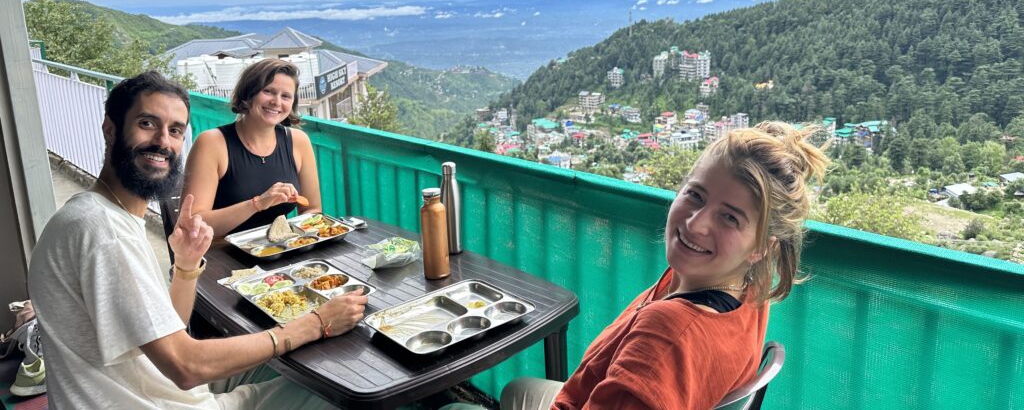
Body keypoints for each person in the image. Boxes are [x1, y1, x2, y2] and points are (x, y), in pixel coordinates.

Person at [28, 71, 367, 409]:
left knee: (311, 366)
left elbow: (170, 327)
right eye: (147, 123)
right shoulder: (104, 232)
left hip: (159, 387)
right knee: (343, 386)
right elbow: (186, 366)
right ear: (110, 129)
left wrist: (187, 266)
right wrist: (315, 324)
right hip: (166, 400)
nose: (163, 142)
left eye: (175, 130)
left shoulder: (100, 215)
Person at [445, 121, 828, 410]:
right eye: (695, 195)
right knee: (518, 390)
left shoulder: (668, 337)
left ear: (761, 248)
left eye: (730, 218)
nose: (696, 224)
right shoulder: (749, 288)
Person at [183, 58, 322, 237]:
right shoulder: (211, 143)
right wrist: (257, 204)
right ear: (248, 94)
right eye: (268, 91)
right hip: (221, 249)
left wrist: (295, 240)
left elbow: (312, 209)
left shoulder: (299, 141)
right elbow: (192, 223)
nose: (276, 101)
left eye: (286, 96)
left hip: (279, 248)